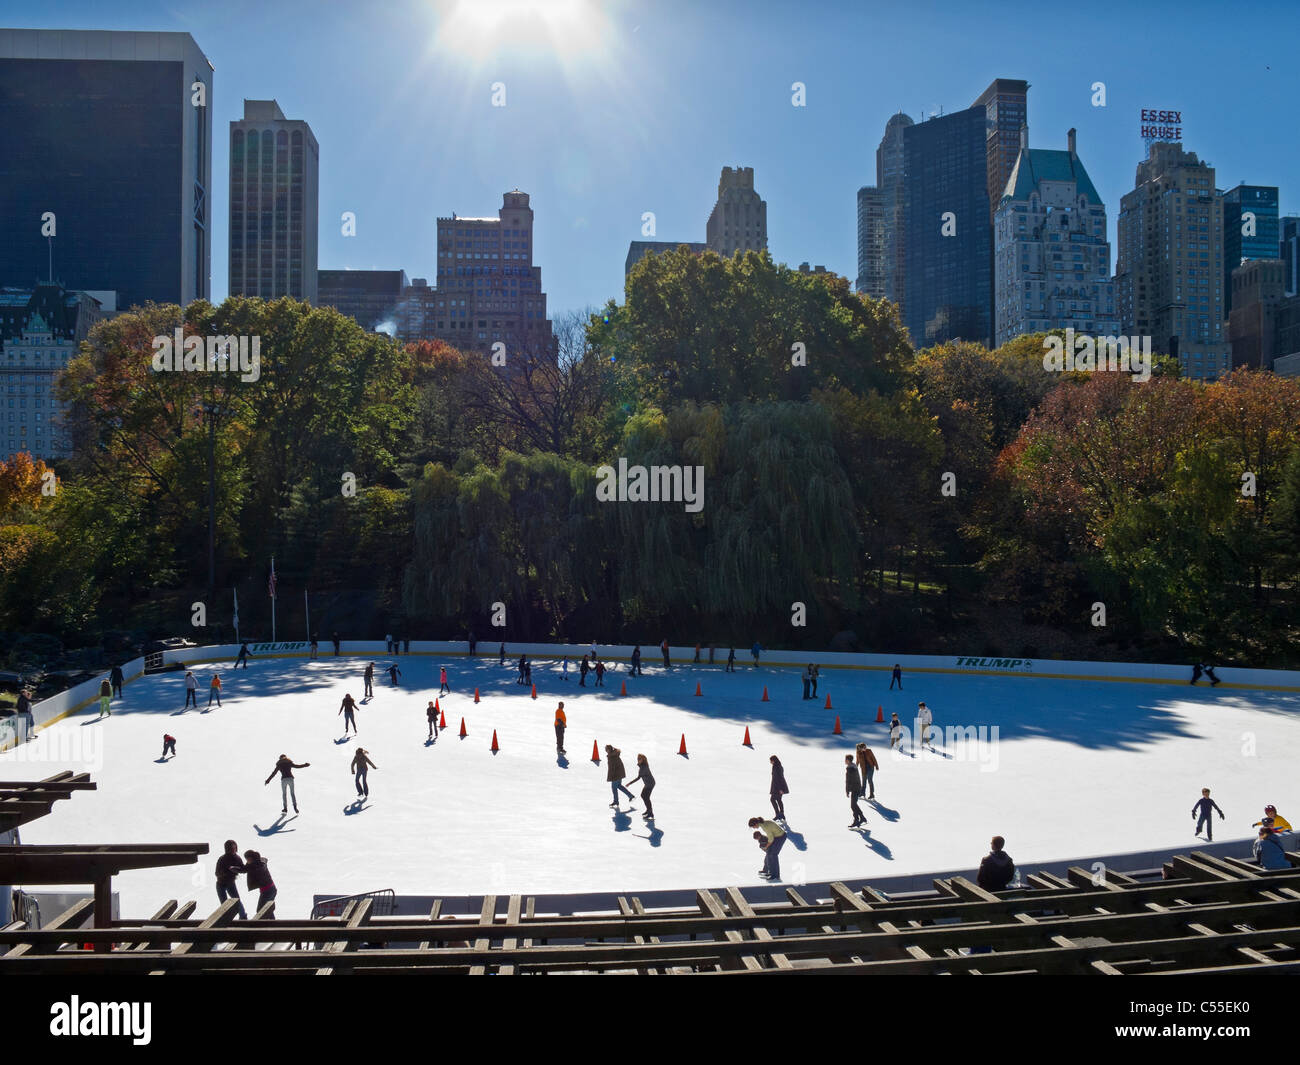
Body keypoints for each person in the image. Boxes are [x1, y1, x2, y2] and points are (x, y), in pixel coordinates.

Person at [215, 840, 248, 919]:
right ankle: (227, 919)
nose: (234, 850)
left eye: (235, 848)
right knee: (224, 905)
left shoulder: (237, 858)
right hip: (221, 884)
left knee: (237, 901)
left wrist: (236, 869)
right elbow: (217, 873)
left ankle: (243, 917)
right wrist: (225, 872)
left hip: (230, 883)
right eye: (232, 848)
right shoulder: (222, 859)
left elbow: (243, 869)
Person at [243, 850, 277, 915]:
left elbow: (246, 869)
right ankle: (273, 923)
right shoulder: (259, 862)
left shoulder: (257, 866)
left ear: (250, 858)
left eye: (247, 860)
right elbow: (246, 868)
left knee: (260, 910)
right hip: (271, 889)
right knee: (267, 909)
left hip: (267, 891)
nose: (247, 862)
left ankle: (267, 924)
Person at [628, 754, 655, 819]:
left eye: (639, 759)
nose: (638, 760)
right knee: (644, 796)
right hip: (648, 783)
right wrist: (630, 783)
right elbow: (639, 777)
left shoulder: (644, 767)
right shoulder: (642, 766)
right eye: (637, 759)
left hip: (650, 784)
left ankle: (650, 813)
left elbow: (639, 776)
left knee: (645, 797)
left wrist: (630, 783)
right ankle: (649, 811)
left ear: (643, 760)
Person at [845, 755, 868, 828]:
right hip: (857, 787)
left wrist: (847, 790)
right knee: (854, 804)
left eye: (845, 759)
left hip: (855, 788)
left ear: (848, 760)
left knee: (853, 805)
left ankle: (857, 820)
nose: (845, 761)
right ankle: (861, 817)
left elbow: (848, 781)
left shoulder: (850, 768)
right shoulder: (853, 766)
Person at [769, 755, 789, 821]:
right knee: (778, 800)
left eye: (771, 761)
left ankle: (779, 814)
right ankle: (781, 814)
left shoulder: (777, 767)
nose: (770, 762)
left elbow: (779, 778)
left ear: (773, 760)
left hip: (778, 787)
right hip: (777, 786)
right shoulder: (778, 766)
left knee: (773, 799)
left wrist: (780, 789)